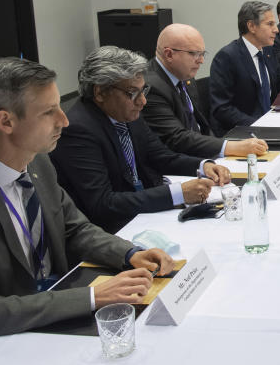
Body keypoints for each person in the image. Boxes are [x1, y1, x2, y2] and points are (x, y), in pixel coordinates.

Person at [0, 58, 174, 362]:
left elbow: (73, 227)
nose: (65, 120)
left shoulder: (37, 162)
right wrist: (91, 297)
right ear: (6, 122)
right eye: (49, 112)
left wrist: (127, 253)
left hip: (55, 322)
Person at [52, 47, 232, 233]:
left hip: (145, 214)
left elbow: (161, 156)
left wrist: (204, 166)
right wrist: (178, 193)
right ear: (99, 93)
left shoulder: (126, 113)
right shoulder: (77, 130)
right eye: (132, 93)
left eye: (143, 90)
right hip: (115, 230)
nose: (142, 101)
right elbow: (103, 203)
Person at [142, 23, 267, 159]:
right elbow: (176, 138)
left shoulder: (184, 76)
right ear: (169, 54)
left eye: (202, 54)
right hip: (179, 165)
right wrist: (230, 147)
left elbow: (200, 126)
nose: (201, 61)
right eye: (194, 54)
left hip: (203, 154)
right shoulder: (151, 87)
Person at [209, 1, 280, 134]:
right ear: (251, 26)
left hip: (270, 122)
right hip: (243, 131)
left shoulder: (268, 50)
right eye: (270, 24)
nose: (276, 29)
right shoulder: (227, 57)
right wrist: (260, 125)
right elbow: (222, 109)